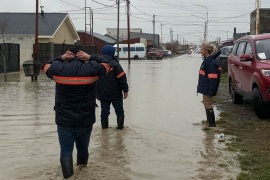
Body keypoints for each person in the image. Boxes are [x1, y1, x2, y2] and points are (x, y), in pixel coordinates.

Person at [42, 46, 110, 179]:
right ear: (82, 55)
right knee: (83, 148)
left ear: (68, 55)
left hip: (64, 120)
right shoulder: (91, 69)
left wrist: (60, 58)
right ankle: (82, 172)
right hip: (86, 118)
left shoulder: (58, 69)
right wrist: (91, 57)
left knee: (66, 150)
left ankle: (68, 176)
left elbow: (45, 65)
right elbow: (107, 65)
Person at [96, 45, 129, 130]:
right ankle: (120, 130)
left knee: (104, 112)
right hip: (116, 94)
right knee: (119, 112)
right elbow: (122, 78)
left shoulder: (97, 63)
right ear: (112, 53)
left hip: (102, 94)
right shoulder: (115, 63)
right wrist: (125, 90)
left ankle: (104, 131)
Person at [197, 43, 221, 127]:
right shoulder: (208, 60)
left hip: (208, 87)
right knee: (206, 104)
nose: (201, 51)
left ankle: (212, 125)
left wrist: (211, 90)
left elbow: (213, 78)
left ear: (206, 51)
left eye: (202, 49)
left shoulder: (211, 62)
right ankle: (209, 123)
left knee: (208, 105)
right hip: (206, 86)